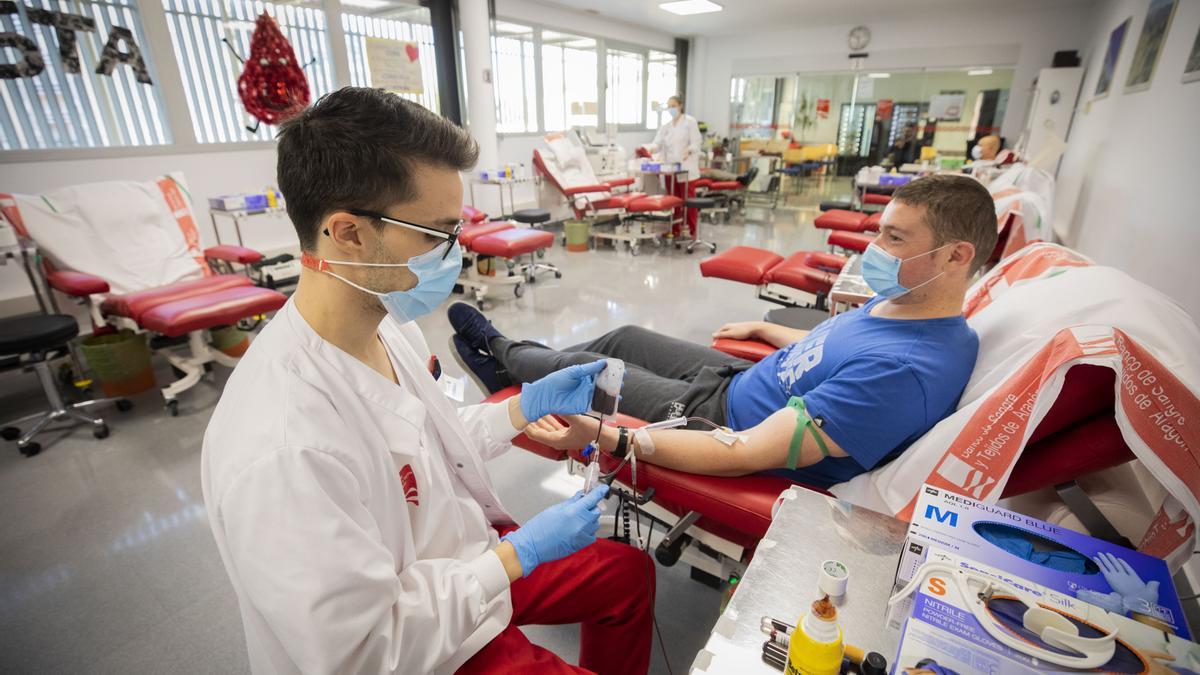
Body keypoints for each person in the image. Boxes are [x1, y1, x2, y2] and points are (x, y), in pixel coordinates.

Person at [201, 87, 654, 675]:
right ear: (349, 233)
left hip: (459, 561)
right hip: (422, 644)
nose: (455, 253)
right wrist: (519, 554)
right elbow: (367, 650)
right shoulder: (284, 447)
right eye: (436, 234)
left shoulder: (386, 325)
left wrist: (521, 410)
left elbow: (420, 442)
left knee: (627, 574)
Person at [450, 174, 996, 488]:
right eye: (880, 232)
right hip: (740, 377)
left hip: (719, 420)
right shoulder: (903, 304)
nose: (876, 250)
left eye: (895, 239)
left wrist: (604, 435)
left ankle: (499, 352)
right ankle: (521, 363)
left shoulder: (905, 374)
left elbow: (745, 453)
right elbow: (832, 351)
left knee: (584, 372)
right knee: (622, 337)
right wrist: (764, 327)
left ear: (955, 255)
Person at [646, 94, 702, 238]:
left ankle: (692, 230)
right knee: (674, 201)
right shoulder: (666, 127)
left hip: (686, 169)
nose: (671, 109)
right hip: (671, 170)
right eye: (669, 106)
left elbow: (696, 142)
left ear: (680, 106)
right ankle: (675, 229)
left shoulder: (690, 122)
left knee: (688, 201)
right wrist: (650, 148)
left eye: (673, 106)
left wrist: (689, 150)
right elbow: (657, 143)